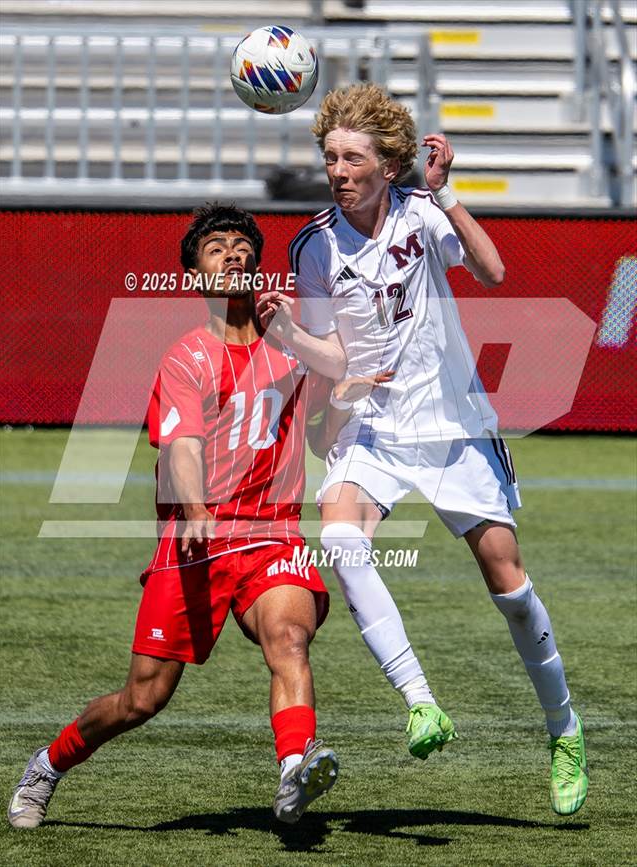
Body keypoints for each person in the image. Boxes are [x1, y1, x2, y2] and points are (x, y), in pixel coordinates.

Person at [258, 84, 588, 816]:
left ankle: (564, 728)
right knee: (341, 540)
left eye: (353, 158)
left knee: (507, 582)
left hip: (455, 427)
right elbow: (335, 357)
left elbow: (494, 271)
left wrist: (447, 197)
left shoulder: (420, 214)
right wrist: (287, 334)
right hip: (375, 425)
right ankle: (421, 702)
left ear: (389, 163)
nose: (339, 170)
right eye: (330, 157)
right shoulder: (312, 245)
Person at [7, 204, 340, 830]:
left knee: (289, 639)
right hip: (195, 542)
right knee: (142, 698)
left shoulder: (292, 348)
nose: (234, 253)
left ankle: (294, 766)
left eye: (243, 245)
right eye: (216, 247)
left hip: (272, 536)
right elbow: (182, 448)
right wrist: (193, 511)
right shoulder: (185, 359)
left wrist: (301, 341)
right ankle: (47, 765)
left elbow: (342, 387)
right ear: (194, 276)